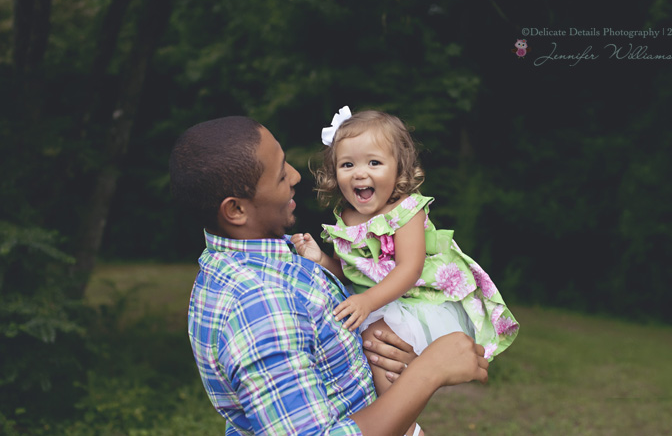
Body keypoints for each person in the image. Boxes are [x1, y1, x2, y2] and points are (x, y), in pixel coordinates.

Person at [169, 115, 489, 436]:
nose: (295, 176)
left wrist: (385, 352)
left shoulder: (269, 256)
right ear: (236, 210)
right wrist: (427, 373)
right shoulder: (257, 305)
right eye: (281, 175)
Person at [292, 107, 518, 397]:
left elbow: (409, 269)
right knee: (351, 343)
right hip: (375, 300)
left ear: (398, 169)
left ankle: (399, 420)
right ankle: (383, 409)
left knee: (376, 341)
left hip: (418, 300)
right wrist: (320, 259)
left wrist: (367, 302)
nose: (360, 173)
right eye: (347, 165)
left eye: (374, 162)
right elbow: (349, 273)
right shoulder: (345, 219)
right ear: (334, 173)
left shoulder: (406, 211)